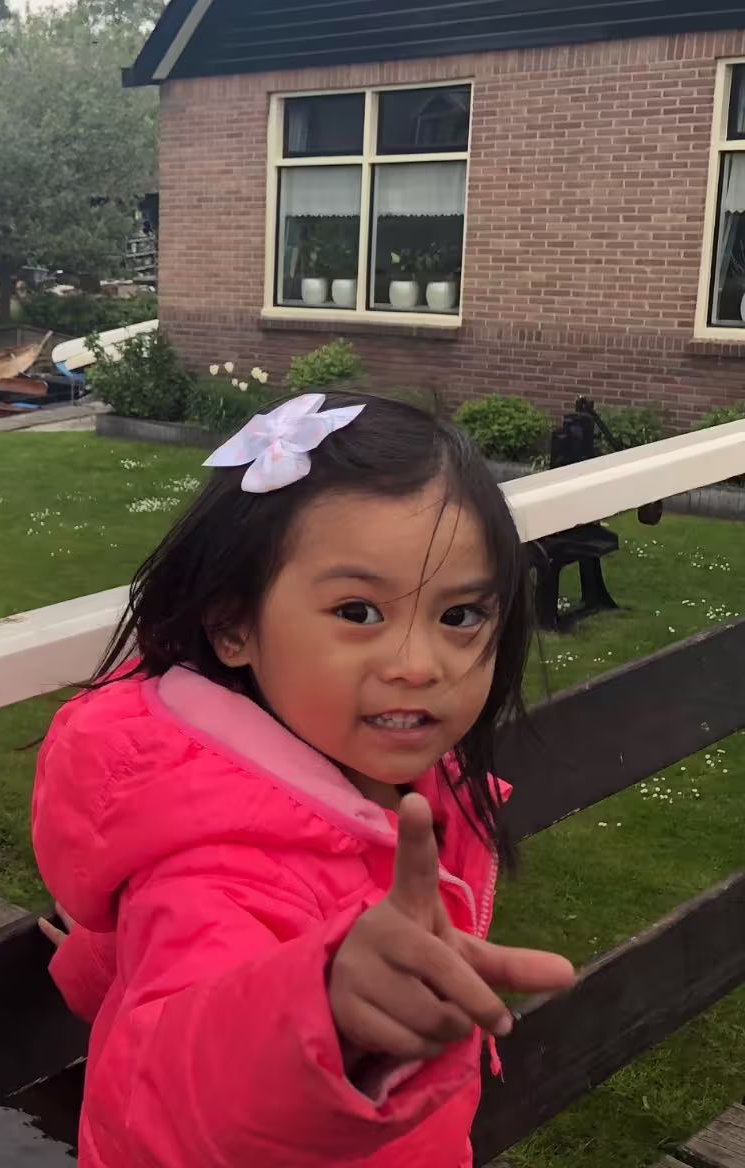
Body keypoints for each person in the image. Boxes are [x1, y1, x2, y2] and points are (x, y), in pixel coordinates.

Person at [32, 393, 576, 1167]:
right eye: (358, 611)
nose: (418, 665)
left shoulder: (399, 788)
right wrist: (328, 1021)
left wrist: (102, 957)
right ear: (234, 627)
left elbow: (174, 987)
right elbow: (175, 1098)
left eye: (460, 617)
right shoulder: (217, 865)